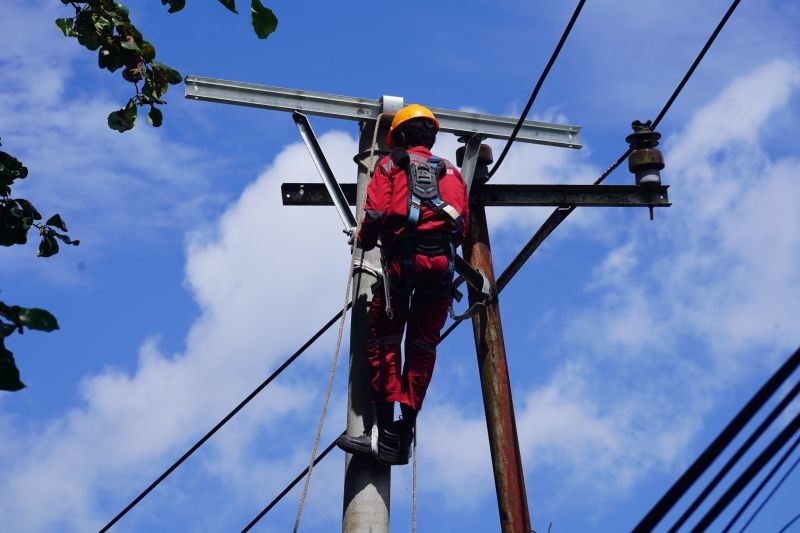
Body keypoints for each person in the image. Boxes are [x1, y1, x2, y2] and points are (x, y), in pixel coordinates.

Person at [336, 104, 469, 465]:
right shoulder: (453, 173)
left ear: (400, 136)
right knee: (423, 346)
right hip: (440, 268)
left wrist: (362, 240)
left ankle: (381, 430)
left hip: (399, 269)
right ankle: (405, 431)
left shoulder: (390, 164)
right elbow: (463, 226)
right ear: (431, 136)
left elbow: (376, 212)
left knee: (383, 338)